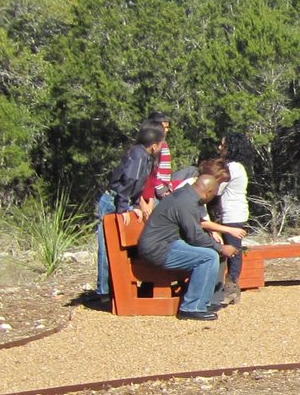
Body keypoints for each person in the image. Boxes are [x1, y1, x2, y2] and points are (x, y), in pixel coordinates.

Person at [137, 166, 238, 322]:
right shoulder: (187, 202)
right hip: (158, 249)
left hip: (165, 244)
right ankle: (192, 307)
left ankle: (204, 302)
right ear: (208, 192)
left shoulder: (185, 195)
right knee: (209, 256)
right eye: (214, 195)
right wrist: (221, 248)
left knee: (210, 253)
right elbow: (194, 236)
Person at [93, 124, 164, 302]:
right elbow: (129, 180)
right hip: (114, 201)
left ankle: (115, 289)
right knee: (107, 246)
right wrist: (123, 208)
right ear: (154, 145)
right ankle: (104, 291)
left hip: (126, 201)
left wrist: (136, 205)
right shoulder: (138, 155)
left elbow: (138, 185)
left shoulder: (145, 157)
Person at [211, 132, 255, 302]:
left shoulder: (233, 168)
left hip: (232, 215)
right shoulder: (235, 167)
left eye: (223, 145)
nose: (219, 147)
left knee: (233, 251)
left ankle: (232, 287)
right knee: (230, 250)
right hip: (233, 213)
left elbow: (217, 189)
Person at [139, 111, 174, 203]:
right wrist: (162, 191)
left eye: (167, 127)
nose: (167, 130)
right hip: (154, 192)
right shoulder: (154, 146)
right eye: (164, 127)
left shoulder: (162, 144)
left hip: (161, 189)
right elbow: (153, 173)